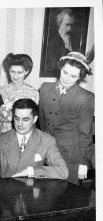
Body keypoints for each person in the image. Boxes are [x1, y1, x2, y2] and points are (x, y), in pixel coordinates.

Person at [38, 52, 94, 185]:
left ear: (79, 77)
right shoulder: (45, 88)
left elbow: (85, 134)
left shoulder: (85, 97)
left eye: (73, 76)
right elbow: (41, 121)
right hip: (46, 151)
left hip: (70, 156)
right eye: (65, 72)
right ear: (60, 68)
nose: (67, 78)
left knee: (66, 196)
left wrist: (83, 163)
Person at [0, 99, 69, 180]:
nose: (19, 124)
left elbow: (62, 171)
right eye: (17, 118)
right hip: (6, 192)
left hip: (33, 192)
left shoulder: (46, 140)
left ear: (35, 119)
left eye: (25, 119)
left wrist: (31, 171)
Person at [0, 53, 39, 134]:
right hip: (2, 135)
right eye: (12, 71)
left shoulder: (33, 94)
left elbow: (32, 121)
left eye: (19, 72)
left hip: (23, 134)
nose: (15, 76)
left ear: (26, 72)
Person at [46, 8, 79, 72]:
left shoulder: (75, 40)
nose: (69, 29)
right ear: (59, 23)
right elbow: (57, 67)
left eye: (71, 25)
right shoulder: (53, 41)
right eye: (67, 24)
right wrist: (67, 47)